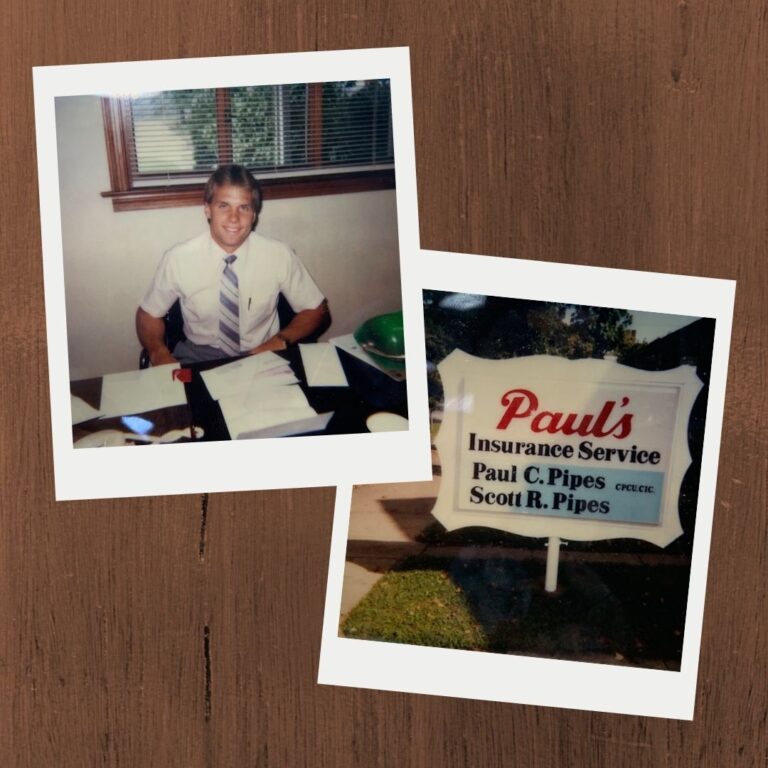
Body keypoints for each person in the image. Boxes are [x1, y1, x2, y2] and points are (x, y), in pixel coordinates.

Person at [136, 164, 329, 366]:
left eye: (244, 208)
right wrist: (158, 352)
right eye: (224, 206)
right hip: (198, 357)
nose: (234, 218)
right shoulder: (178, 259)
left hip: (262, 354)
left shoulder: (279, 254)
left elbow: (315, 309)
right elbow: (148, 314)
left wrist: (279, 341)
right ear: (207, 209)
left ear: (254, 215)